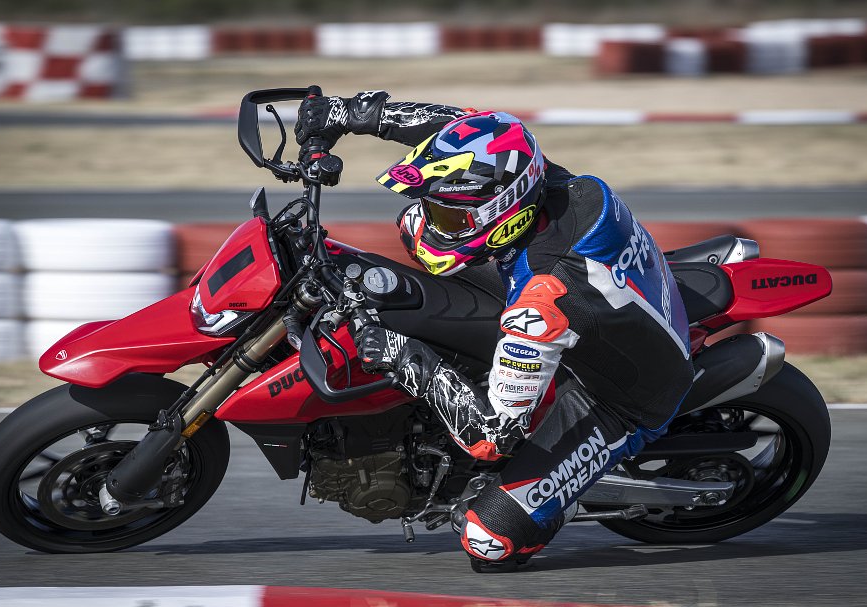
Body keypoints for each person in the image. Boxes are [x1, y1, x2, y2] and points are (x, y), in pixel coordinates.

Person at [295, 91, 695, 571]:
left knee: (487, 541)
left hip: (620, 397)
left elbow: (492, 434)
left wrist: (408, 360)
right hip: (589, 300)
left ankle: (554, 498)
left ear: (504, 213)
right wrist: (353, 114)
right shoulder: (541, 176)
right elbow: (463, 129)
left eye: (450, 216)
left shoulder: (542, 300)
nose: (434, 221)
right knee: (404, 248)